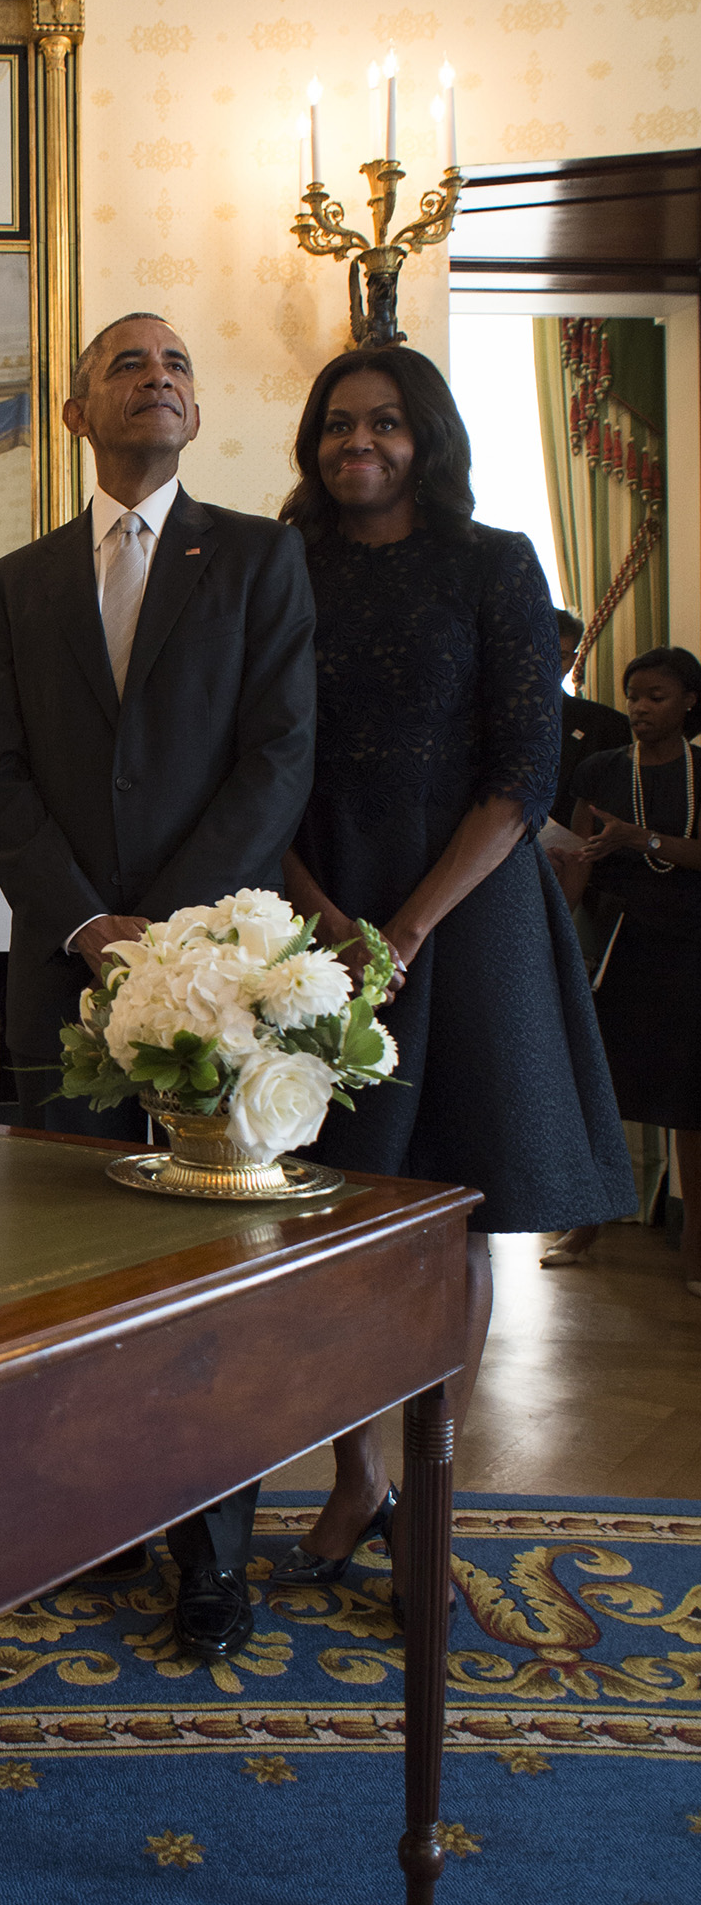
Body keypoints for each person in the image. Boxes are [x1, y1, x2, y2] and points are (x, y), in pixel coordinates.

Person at [0, 311, 316, 1661]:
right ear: (73, 412)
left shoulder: (261, 559)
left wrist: (163, 931)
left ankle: (211, 1558)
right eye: (126, 360)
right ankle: (68, 1516)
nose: (157, 376)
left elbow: (277, 758)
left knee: (205, 1270)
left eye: (176, 360)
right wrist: (81, 927)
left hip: (216, 970)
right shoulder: (16, 582)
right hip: (58, 974)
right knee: (64, 1262)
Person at [273, 348, 635, 1588]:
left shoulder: (496, 565)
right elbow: (255, 763)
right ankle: (355, 1476)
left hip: (466, 917)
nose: (353, 442)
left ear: (425, 434)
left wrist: (409, 928)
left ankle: (425, 1502)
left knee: (449, 1216)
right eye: (334, 424)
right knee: (319, 1215)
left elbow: (524, 775)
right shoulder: (284, 566)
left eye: (380, 422)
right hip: (314, 909)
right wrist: (323, 917)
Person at [543, 646, 701, 1293]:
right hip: (616, 947)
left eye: (656, 695)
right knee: (599, 1090)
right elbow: (576, 856)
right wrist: (556, 930)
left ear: (688, 700)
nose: (639, 707)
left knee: (690, 1105)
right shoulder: (601, 769)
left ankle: (695, 1249)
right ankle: (588, 1221)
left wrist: (641, 840)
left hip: (689, 951)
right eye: (633, 694)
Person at [550, 606, 632, 835]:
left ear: (574, 659)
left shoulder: (606, 726)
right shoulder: (482, 718)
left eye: (562, 656)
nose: (550, 665)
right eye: (541, 651)